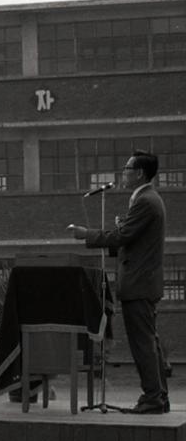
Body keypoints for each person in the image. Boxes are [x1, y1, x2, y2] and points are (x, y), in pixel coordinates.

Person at [71, 150, 168, 414]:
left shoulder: (146, 201)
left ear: (139, 174)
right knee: (149, 341)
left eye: (127, 169)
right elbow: (131, 240)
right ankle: (159, 396)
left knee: (143, 343)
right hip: (142, 282)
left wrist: (86, 234)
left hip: (139, 284)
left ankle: (153, 398)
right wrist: (122, 231)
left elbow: (123, 237)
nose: (123, 174)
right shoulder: (146, 199)